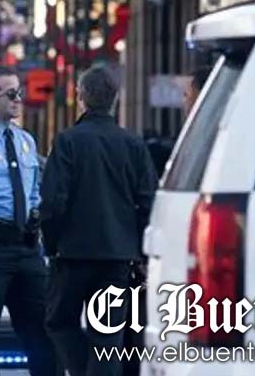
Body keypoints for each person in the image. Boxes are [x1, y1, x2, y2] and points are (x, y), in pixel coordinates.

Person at [40, 65, 159, 376]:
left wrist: (51, 244)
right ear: (115, 99)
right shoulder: (133, 144)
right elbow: (148, 201)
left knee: (59, 321)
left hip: (72, 253)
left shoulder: (67, 141)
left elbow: (53, 201)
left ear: (81, 97)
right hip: (117, 255)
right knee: (107, 333)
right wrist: (141, 252)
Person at [0, 65, 56, 376]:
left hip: (27, 247)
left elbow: (34, 191)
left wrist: (37, 226)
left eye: (20, 91)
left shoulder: (25, 140)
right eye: (11, 94)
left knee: (42, 330)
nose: (19, 98)